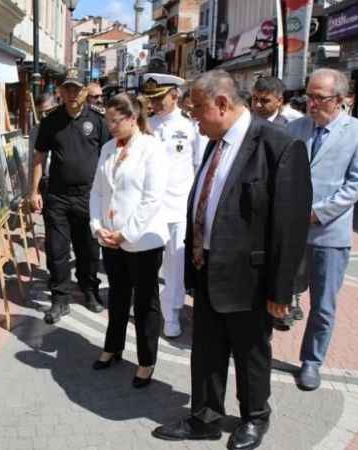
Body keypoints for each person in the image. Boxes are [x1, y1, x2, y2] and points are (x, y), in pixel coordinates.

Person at [152, 70, 311, 449]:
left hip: (250, 280)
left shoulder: (278, 146)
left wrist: (281, 289)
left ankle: (255, 416)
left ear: (222, 105)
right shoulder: (214, 142)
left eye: (198, 111)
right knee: (207, 350)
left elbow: (289, 227)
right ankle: (204, 416)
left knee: (250, 352)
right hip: (208, 268)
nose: (194, 119)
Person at [287, 68, 358, 392]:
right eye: (308, 96)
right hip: (291, 232)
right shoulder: (294, 127)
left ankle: (311, 361)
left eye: (319, 98)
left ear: (339, 100)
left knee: (323, 305)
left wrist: (318, 214)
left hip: (329, 234)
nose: (311, 103)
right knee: (279, 292)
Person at [89, 93, 169, 387]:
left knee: (146, 302)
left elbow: (152, 198)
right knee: (118, 295)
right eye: (107, 120)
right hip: (110, 239)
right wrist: (98, 226)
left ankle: (146, 361)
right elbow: (97, 191)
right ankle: (113, 346)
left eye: (114, 121)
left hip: (142, 240)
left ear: (132, 118)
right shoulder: (108, 148)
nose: (109, 126)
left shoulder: (152, 148)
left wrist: (126, 233)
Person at [31, 68, 111, 324]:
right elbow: (39, 156)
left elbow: (110, 156)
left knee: (88, 248)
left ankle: (89, 291)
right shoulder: (50, 120)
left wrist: (110, 194)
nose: (72, 93)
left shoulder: (99, 119)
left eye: (77, 89)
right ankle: (60, 298)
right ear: (61, 92)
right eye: (68, 89)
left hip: (89, 195)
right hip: (57, 196)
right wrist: (33, 191)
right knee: (57, 250)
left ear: (85, 91)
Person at [143, 73, 201, 338]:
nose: (154, 103)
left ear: (175, 96)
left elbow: (199, 167)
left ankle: (173, 312)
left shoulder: (191, 127)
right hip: (151, 208)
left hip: (178, 205)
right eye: (151, 98)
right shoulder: (146, 125)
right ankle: (149, 308)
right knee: (148, 263)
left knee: (176, 263)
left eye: (159, 98)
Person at [251, 76, 307, 331]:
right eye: (255, 99)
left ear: (279, 101)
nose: (259, 105)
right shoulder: (246, 125)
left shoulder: (290, 129)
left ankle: (286, 305)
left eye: (265, 100)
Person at [29, 92, 58, 196]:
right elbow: (33, 161)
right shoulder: (35, 131)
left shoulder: (65, 128)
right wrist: (33, 190)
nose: (43, 116)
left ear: (56, 107)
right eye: (40, 113)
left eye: (46, 111)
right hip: (43, 182)